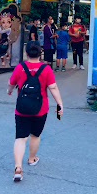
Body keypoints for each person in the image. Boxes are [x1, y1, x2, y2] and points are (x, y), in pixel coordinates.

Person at [7, 41, 63, 182]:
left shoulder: (20, 67)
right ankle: (31, 159)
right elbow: (53, 87)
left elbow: (11, 84)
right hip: (40, 109)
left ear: (26, 53)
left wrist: (9, 91)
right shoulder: (46, 69)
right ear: (40, 53)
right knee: (35, 135)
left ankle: (18, 168)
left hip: (22, 109)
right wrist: (59, 103)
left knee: (20, 138)